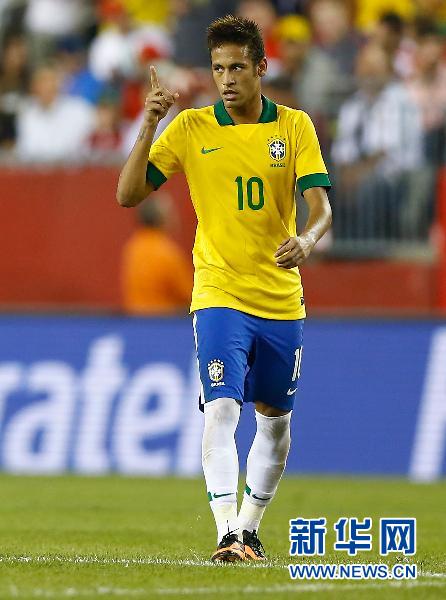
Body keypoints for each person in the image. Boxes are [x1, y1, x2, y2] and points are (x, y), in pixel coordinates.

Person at [116, 15, 331, 562]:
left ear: (261, 67)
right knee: (220, 411)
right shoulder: (189, 129)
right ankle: (227, 534)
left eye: (238, 67)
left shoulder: (295, 127)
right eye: (217, 68)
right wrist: (149, 124)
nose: (227, 78)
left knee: (276, 427)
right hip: (218, 294)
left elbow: (321, 208)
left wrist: (307, 240)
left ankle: (250, 529)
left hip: (281, 297)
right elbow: (128, 194)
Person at [120, 195, 193, 315]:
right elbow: (188, 294)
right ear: (161, 219)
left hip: (136, 320)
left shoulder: (133, 248)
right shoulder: (166, 252)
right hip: (164, 322)